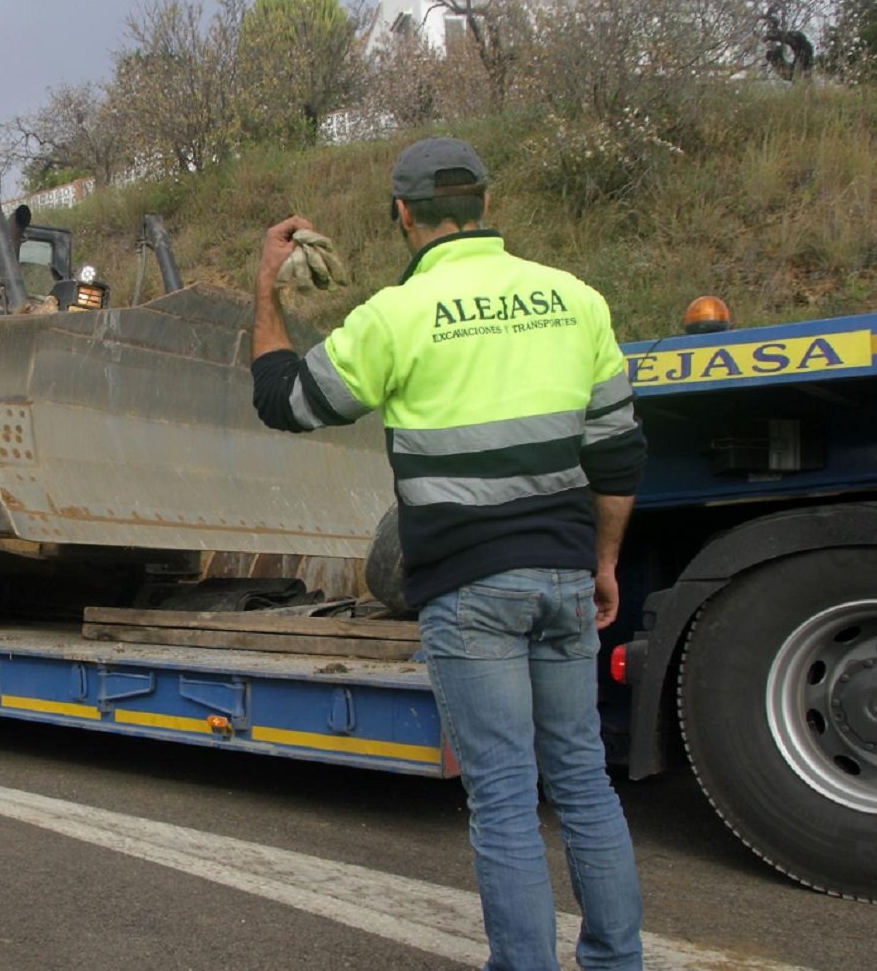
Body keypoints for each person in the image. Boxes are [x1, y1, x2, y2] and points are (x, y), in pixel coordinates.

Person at [250, 137, 648, 971]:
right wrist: (603, 562)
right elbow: (616, 456)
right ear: (486, 205)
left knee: (503, 796)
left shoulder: (398, 316)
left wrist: (268, 289)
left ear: (404, 214)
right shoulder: (575, 299)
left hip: (471, 588)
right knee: (581, 782)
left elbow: (285, 403)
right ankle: (616, 962)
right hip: (565, 576)